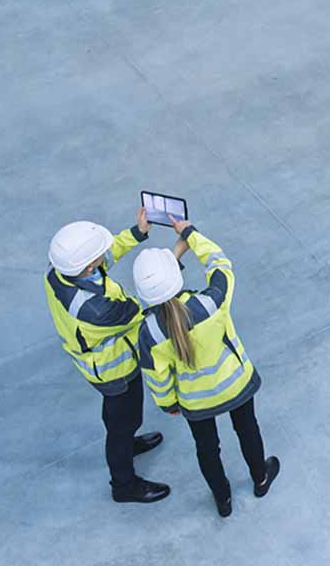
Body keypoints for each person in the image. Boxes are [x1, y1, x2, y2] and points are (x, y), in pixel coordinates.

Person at [133, 217, 279, 517]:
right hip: (236, 384)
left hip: (195, 400)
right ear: (176, 278)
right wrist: (190, 234)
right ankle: (260, 478)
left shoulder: (149, 333)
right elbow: (220, 263)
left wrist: (169, 404)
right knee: (247, 429)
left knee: (207, 449)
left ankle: (223, 500)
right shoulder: (212, 303)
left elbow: (157, 379)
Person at [45, 209, 171, 504]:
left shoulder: (61, 273)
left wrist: (137, 232)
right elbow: (146, 312)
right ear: (89, 266)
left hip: (102, 362)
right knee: (121, 422)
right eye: (97, 255)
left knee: (122, 421)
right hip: (116, 371)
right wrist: (168, 275)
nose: (105, 254)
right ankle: (123, 484)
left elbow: (106, 255)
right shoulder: (97, 310)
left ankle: (127, 443)